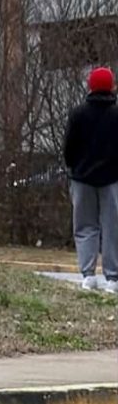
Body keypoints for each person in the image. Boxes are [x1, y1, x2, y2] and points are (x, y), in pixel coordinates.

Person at [63, 66, 118, 294]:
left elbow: (68, 148)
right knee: (112, 227)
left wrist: (74, 166)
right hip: (113, 179)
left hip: (82, 178)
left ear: (90, 86)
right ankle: (113, 278)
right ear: (112, 86)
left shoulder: (78, 114)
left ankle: (88, 275)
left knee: (85, 227)